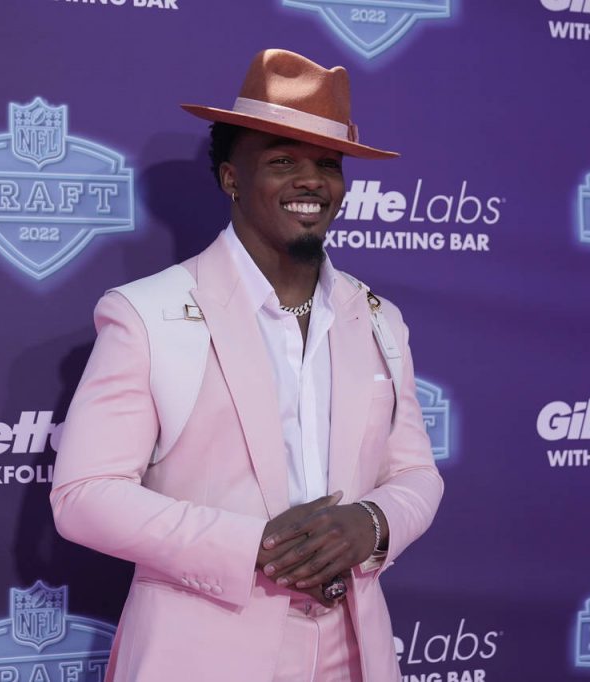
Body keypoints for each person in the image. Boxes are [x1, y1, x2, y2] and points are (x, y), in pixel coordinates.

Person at [51, 48, 444, 682]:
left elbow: (416, 474)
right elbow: (84, 497)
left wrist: (370, 523)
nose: (310, 181)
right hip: (201, 653)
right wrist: (256, 547)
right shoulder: (146, 313)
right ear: (231, 177)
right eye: (283, 161)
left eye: (327, 164)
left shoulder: (378, 319)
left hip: (355, 650)